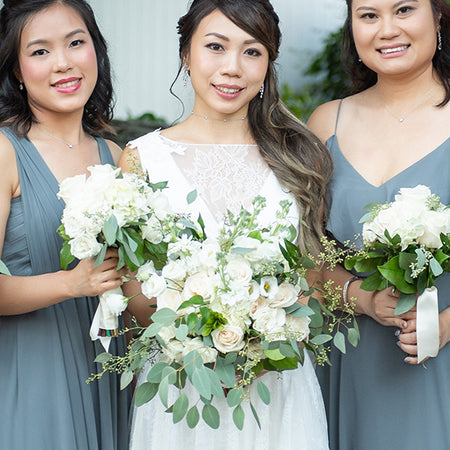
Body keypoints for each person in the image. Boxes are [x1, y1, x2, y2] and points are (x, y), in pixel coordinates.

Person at [119, 0, 334, 448]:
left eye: (252, 51)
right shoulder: (141, 159)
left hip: (277, 388)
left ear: (269, 62)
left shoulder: (299, 158)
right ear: (186, 54)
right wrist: (202, 331)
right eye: (215, 46)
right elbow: (136, 299)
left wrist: (262, 327)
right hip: (180, 388)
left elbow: (312, 283)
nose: (232, 67)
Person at [307, 0, 450, 448]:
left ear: (439, 16)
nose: (386, 29)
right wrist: (361, 298)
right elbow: (302, 254)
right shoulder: (327, 122)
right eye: (368, 15)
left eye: (404, 9)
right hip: (351, 351)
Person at [0, 1, 130, 448]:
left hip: (110, 370)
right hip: (32, 376)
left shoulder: (114, 157)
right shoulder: (4, 153)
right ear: (16, 70)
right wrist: (72, 283)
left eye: (76, 42)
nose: (63, 63)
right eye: (39, 51)